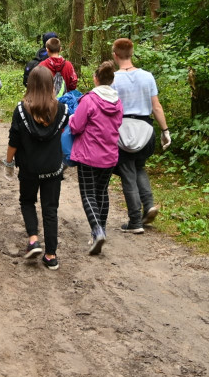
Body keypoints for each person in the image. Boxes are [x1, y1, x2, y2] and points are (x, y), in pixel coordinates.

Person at [3, 65, 71, 271]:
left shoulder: (21, 110)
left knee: (27, 201)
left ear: (30, 85)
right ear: (51, 85)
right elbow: (66, 137)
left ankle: (34, 239)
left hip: (29, 168)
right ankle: (51, 255)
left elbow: (13, 140)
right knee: (51, 209)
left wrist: (8, 163)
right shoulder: (62, 109)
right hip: (53, 168)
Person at [111, 38, 170, 233]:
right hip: (146, 130)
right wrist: (165, 131)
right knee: (139, 167)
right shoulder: (147, 76)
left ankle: (135, 221)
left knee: (128, 172)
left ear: (115, 55)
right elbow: (156, 106)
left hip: (123, 132)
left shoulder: (113, 79)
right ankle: (149, 205)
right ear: (132, 53)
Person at [68, 61, 123, 255]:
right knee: (102, 192)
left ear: (96, 78)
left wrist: (70, 119)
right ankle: (102, 230)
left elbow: (76, 126)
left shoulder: (89, 100)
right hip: (109, 155)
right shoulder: (118, 102)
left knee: (88, 194)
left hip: (88, 155)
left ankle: (97, 230)